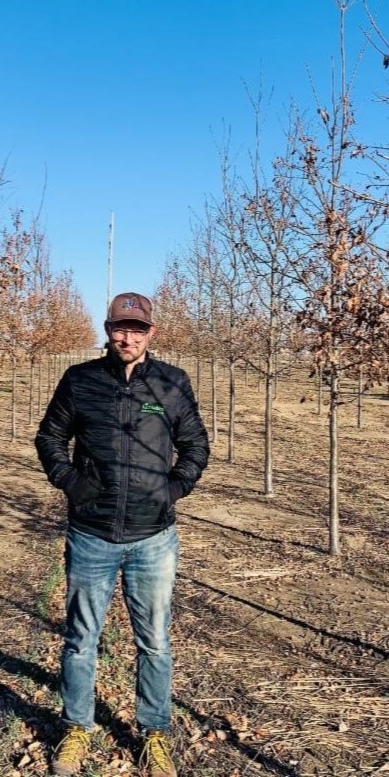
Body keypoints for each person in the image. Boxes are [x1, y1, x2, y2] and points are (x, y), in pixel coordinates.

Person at [35, 292, 210, 777]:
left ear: (151, 332)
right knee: (80, 638)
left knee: (153, 640)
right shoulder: (81, 380)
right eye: (119, 327)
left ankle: (154, 733)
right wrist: (73, 485)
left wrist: (172, 491)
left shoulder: (171, 383)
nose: (126, 337)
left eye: (136, 329)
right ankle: (76, 727)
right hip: (91, 534)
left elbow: (195, 443)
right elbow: (50, 437)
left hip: (153, 536)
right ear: (107, 329)